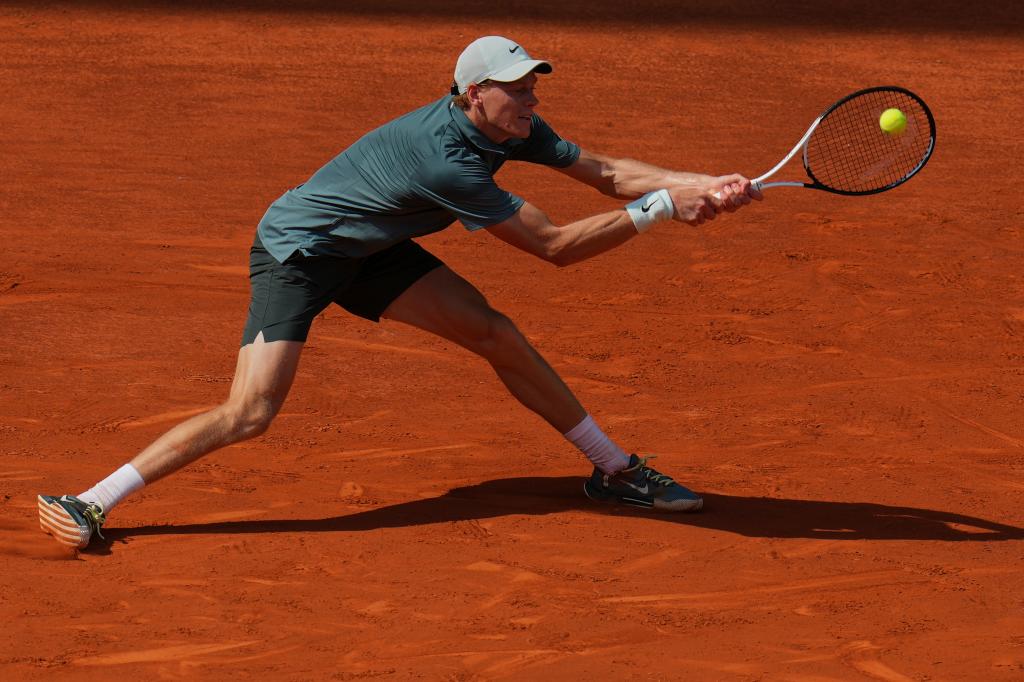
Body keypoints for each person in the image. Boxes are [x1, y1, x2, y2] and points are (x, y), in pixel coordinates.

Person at [38, 35, 760, 550]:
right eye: (519, 88)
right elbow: (555, 248)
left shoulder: (512, 127)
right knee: (251, 411)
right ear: (475, 95)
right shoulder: (446, 163)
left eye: (534, 84)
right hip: (301, 252)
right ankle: (94, 501)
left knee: (495, 333)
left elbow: (604, 172)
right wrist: (664, 211)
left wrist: (700, 182)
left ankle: (615, 472)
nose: (532, 98)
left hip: (371, 246)